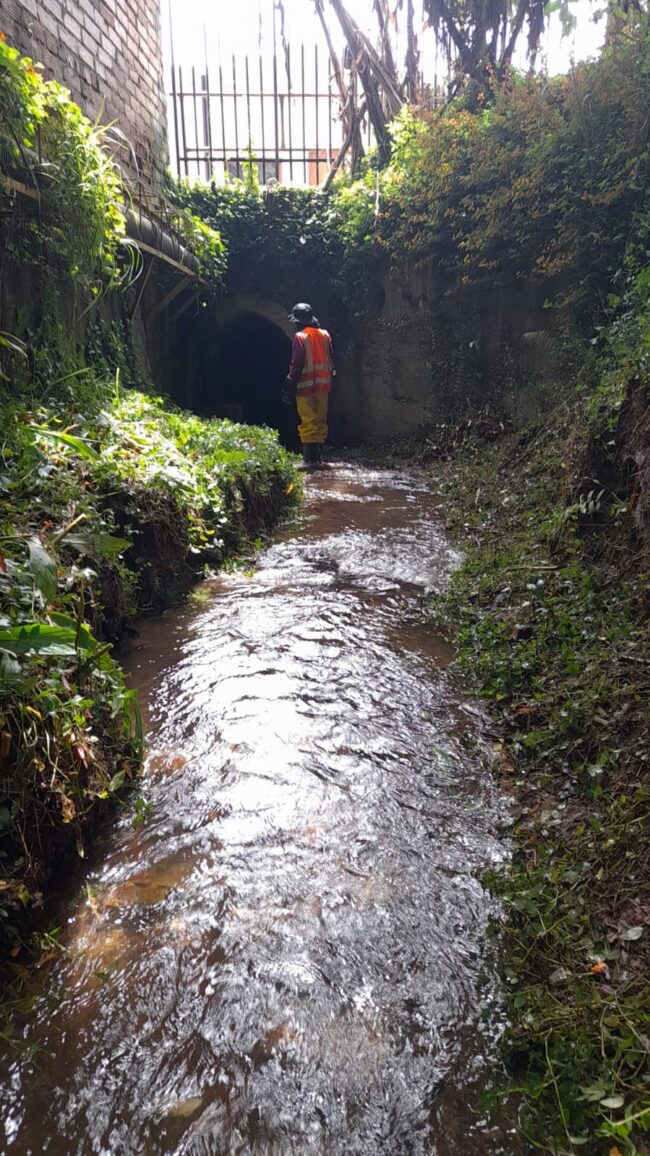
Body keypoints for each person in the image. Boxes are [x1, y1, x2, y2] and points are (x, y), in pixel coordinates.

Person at [281, 303, 334, 470]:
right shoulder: (325, 335)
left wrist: (289, 382)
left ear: (299, 322)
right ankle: (318, 458)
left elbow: (297, 363)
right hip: (324, 385)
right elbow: (330, 357)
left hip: (305, 385)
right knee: (320, 420)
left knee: (308, 420)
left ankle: (308, 460)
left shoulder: (300, 337)